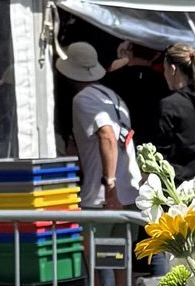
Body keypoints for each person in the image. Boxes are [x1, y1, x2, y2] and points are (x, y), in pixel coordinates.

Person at [59, 39, 146, 210]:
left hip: (102, 199)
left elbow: (107, 136)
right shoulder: (113, 96)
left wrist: (110, 185)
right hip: (130, 195)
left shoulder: (83, 99)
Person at [153, 48, 195, 183]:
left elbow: (161, 151)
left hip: (177, 187)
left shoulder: (170, 104)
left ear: (172, 69)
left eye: (165, 69)